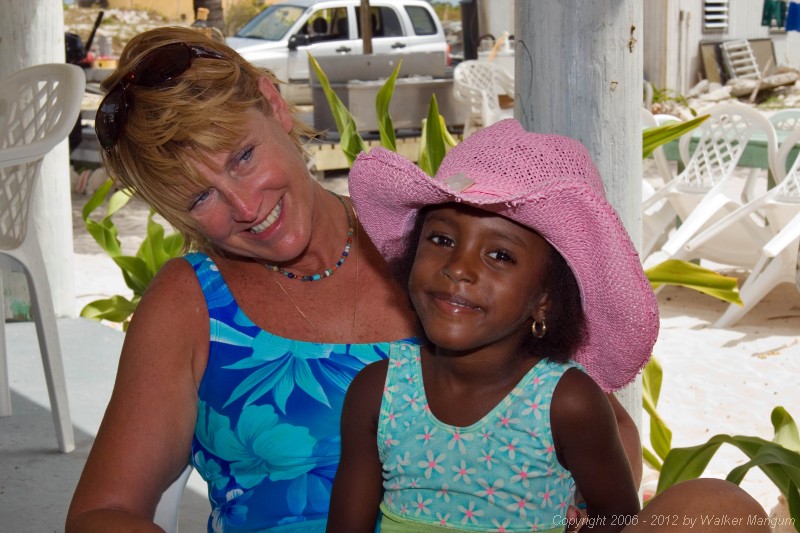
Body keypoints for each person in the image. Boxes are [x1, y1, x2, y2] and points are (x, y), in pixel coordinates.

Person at [64, 25, 646, 533]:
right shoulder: (190, 303)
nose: (244, 206)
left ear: (274, 104)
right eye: (200, 196)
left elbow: (606, 430)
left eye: (242, 157)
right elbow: (101, 512)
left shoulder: (442, 259)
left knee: (714, 506)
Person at [327, 119, 771, 533]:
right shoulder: (378, 392)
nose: (458, 268)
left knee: (720, 504)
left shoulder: (567, 402)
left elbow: (616, 523)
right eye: (441, 239)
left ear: (546, 299)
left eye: (500, 255)